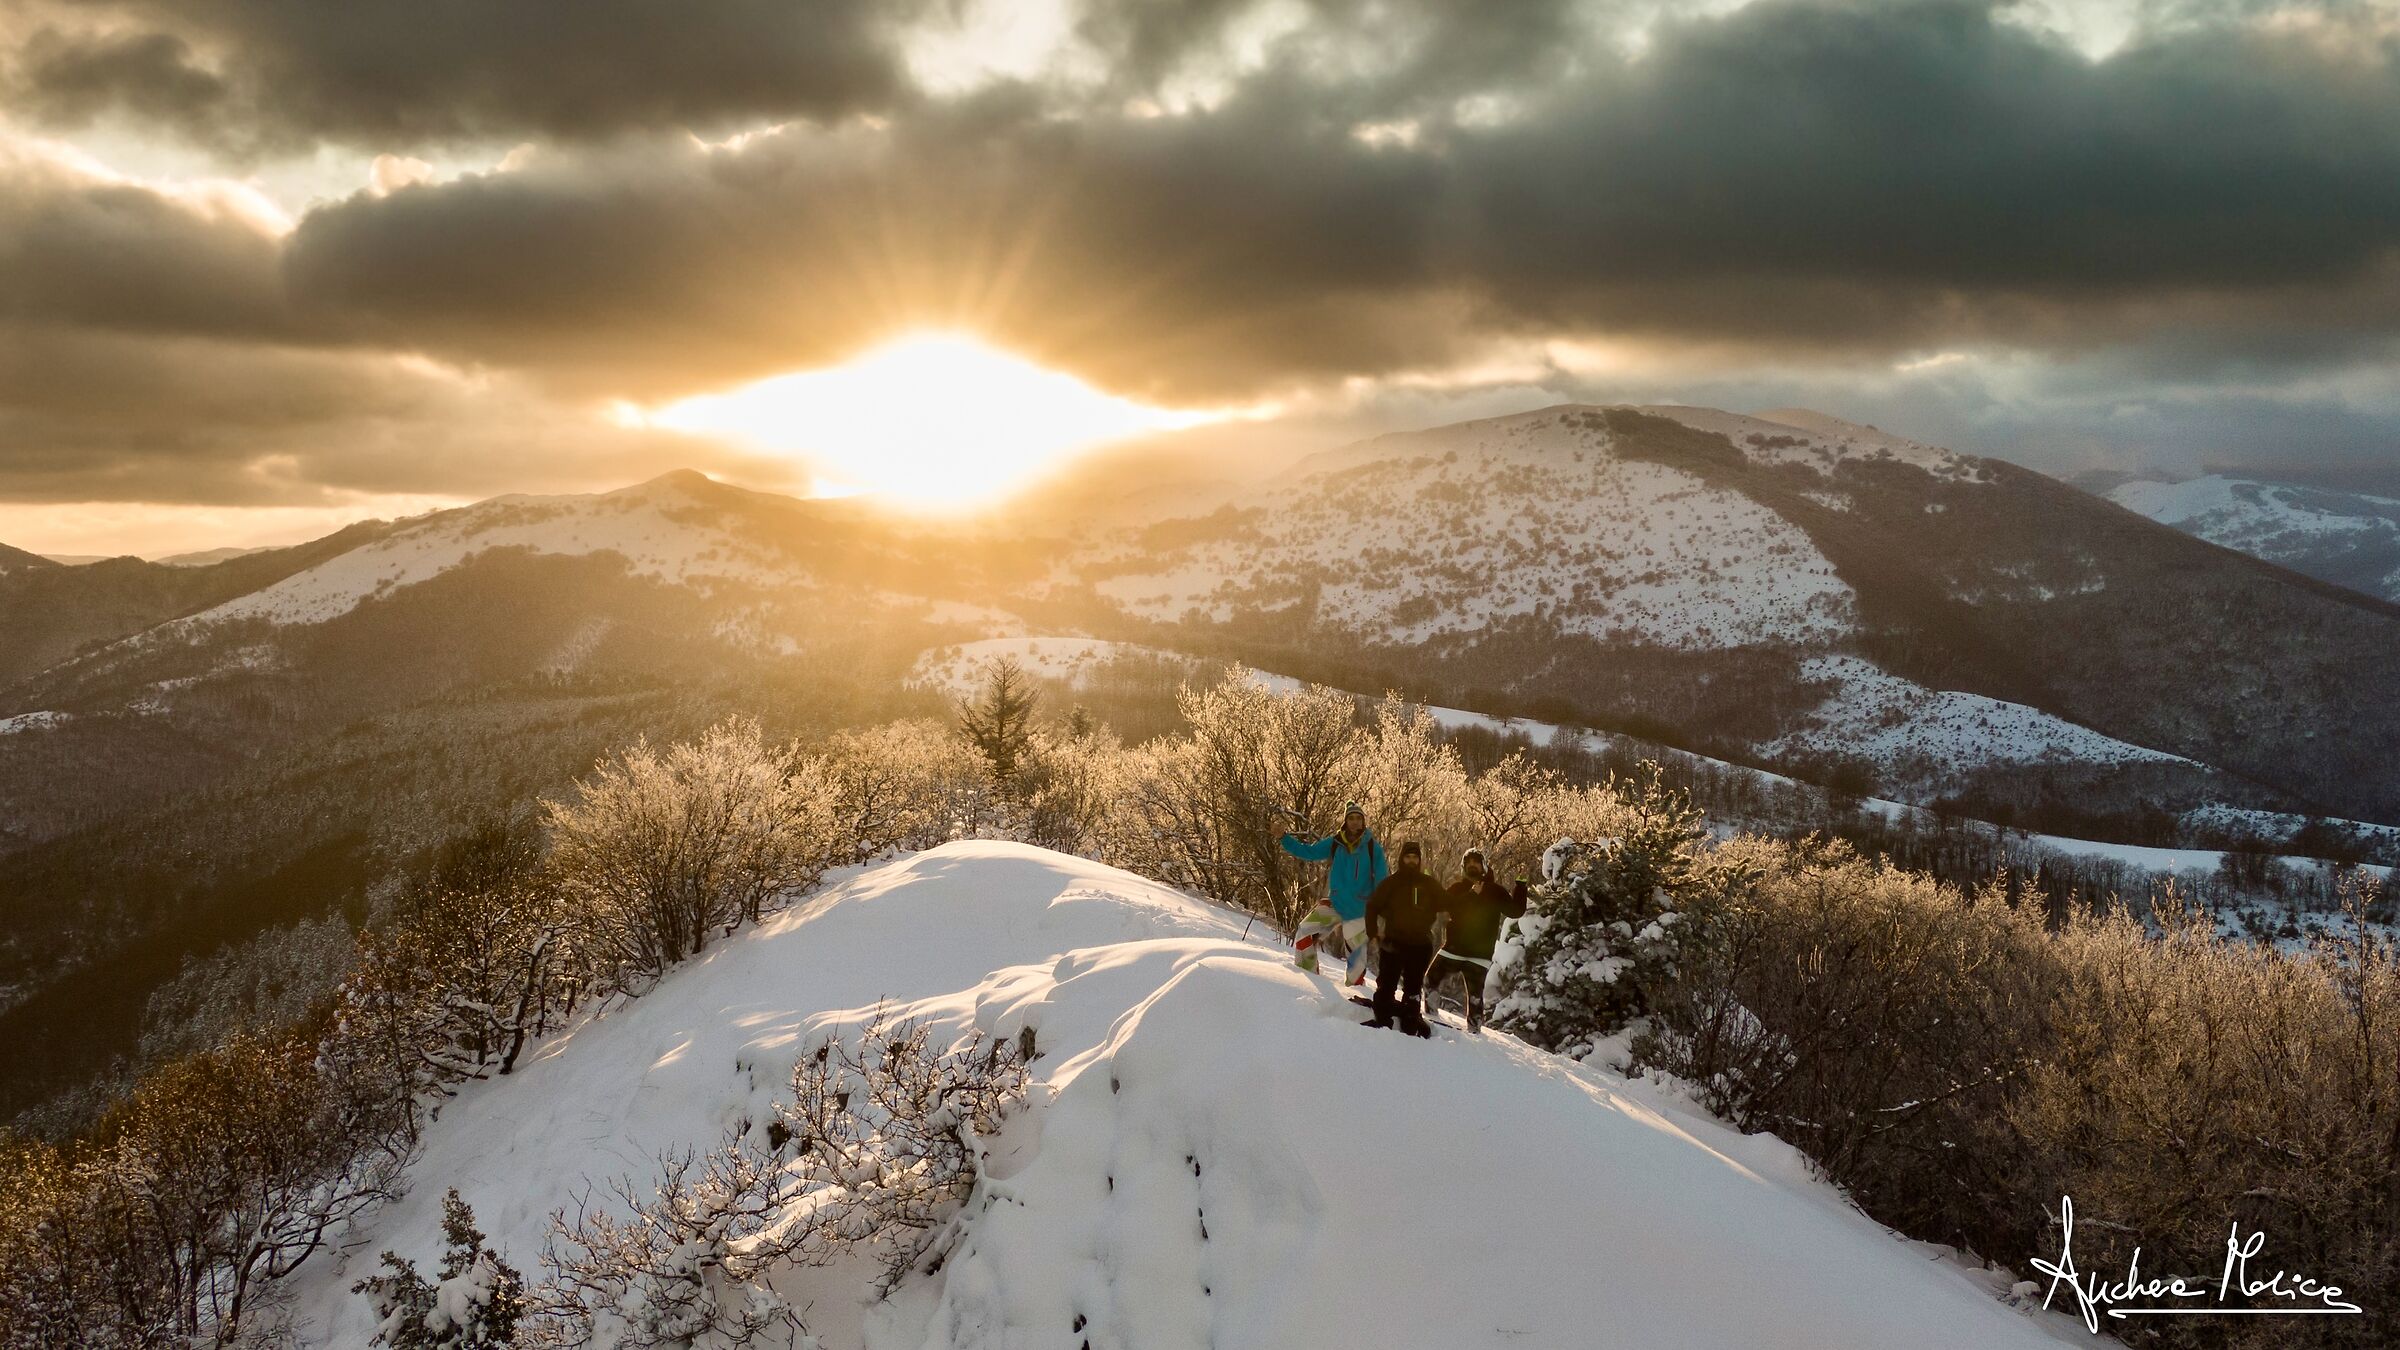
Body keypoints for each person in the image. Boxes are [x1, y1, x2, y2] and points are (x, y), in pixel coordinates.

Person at [1280, 801, 1386, 985]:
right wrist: (1283, 837)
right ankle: (1307, 977)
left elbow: (1382, 881)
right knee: (1305, 931)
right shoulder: (1335, 843)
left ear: (1363, 822)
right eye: (1351, 818)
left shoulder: (1372, 847)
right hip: (1335, 904)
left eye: (1358, 818)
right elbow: (1309, 852)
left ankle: (1355, 994)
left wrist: (1378, 909)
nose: (1354, 822)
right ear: (1345, 821)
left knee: (1356, 960)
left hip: (1359, 911)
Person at [1433, 848, 1529, 1034]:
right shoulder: (1457, 888)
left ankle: (1475, 1034)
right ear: (1463, 867)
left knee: (1476, 998)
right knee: (1430, 981)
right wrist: (1471, 895)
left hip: (1480, 954)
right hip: (1453, 949)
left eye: (1476, 863)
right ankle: (1430, 1016)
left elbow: (1515, 911)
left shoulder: (1495, 891)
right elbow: (1443, 905)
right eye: (1469, 863)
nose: (1472, 866)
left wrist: (1521, 885)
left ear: (1484, 866)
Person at [1362, 841, 1448, 1036]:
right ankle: (1382, 1022)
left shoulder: (1428, 883)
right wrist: (1373, 933)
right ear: (1402, 859)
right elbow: (1372, 907)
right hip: (1393, 942)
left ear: (1419, 860)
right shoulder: (1391, 883)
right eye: (1408, 857)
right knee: (1386, 985)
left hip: (1420, 944)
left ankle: (1410, 1026)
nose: (1411, 861)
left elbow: (1448, 902)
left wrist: (1466, 889)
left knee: (1413, 989)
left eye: (1415, 857)